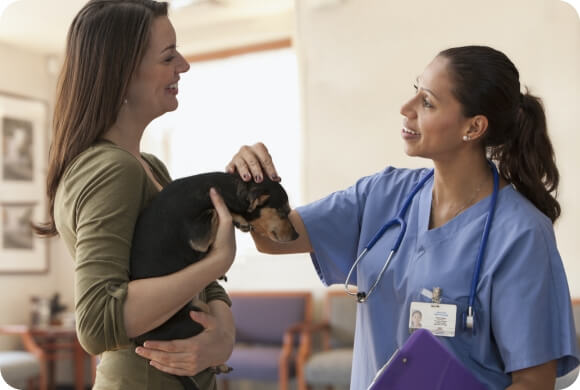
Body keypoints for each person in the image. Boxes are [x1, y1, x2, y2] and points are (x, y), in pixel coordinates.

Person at [226, 45, 580, 389]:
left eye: (427, 102)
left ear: (473, 128)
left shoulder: (521, 233)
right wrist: (244, 183)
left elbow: (534, 381)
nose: (406, 108)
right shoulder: (382, 195)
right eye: (415, 92)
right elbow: (274, 237)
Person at [34, 1, 236, 388]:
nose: (184, 65)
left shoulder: (149, 167)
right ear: (123, 74)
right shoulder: (113, 171)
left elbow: (195, 277)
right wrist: (219, 260)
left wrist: (221, 340)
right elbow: (96, 322)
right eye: (168, 56)